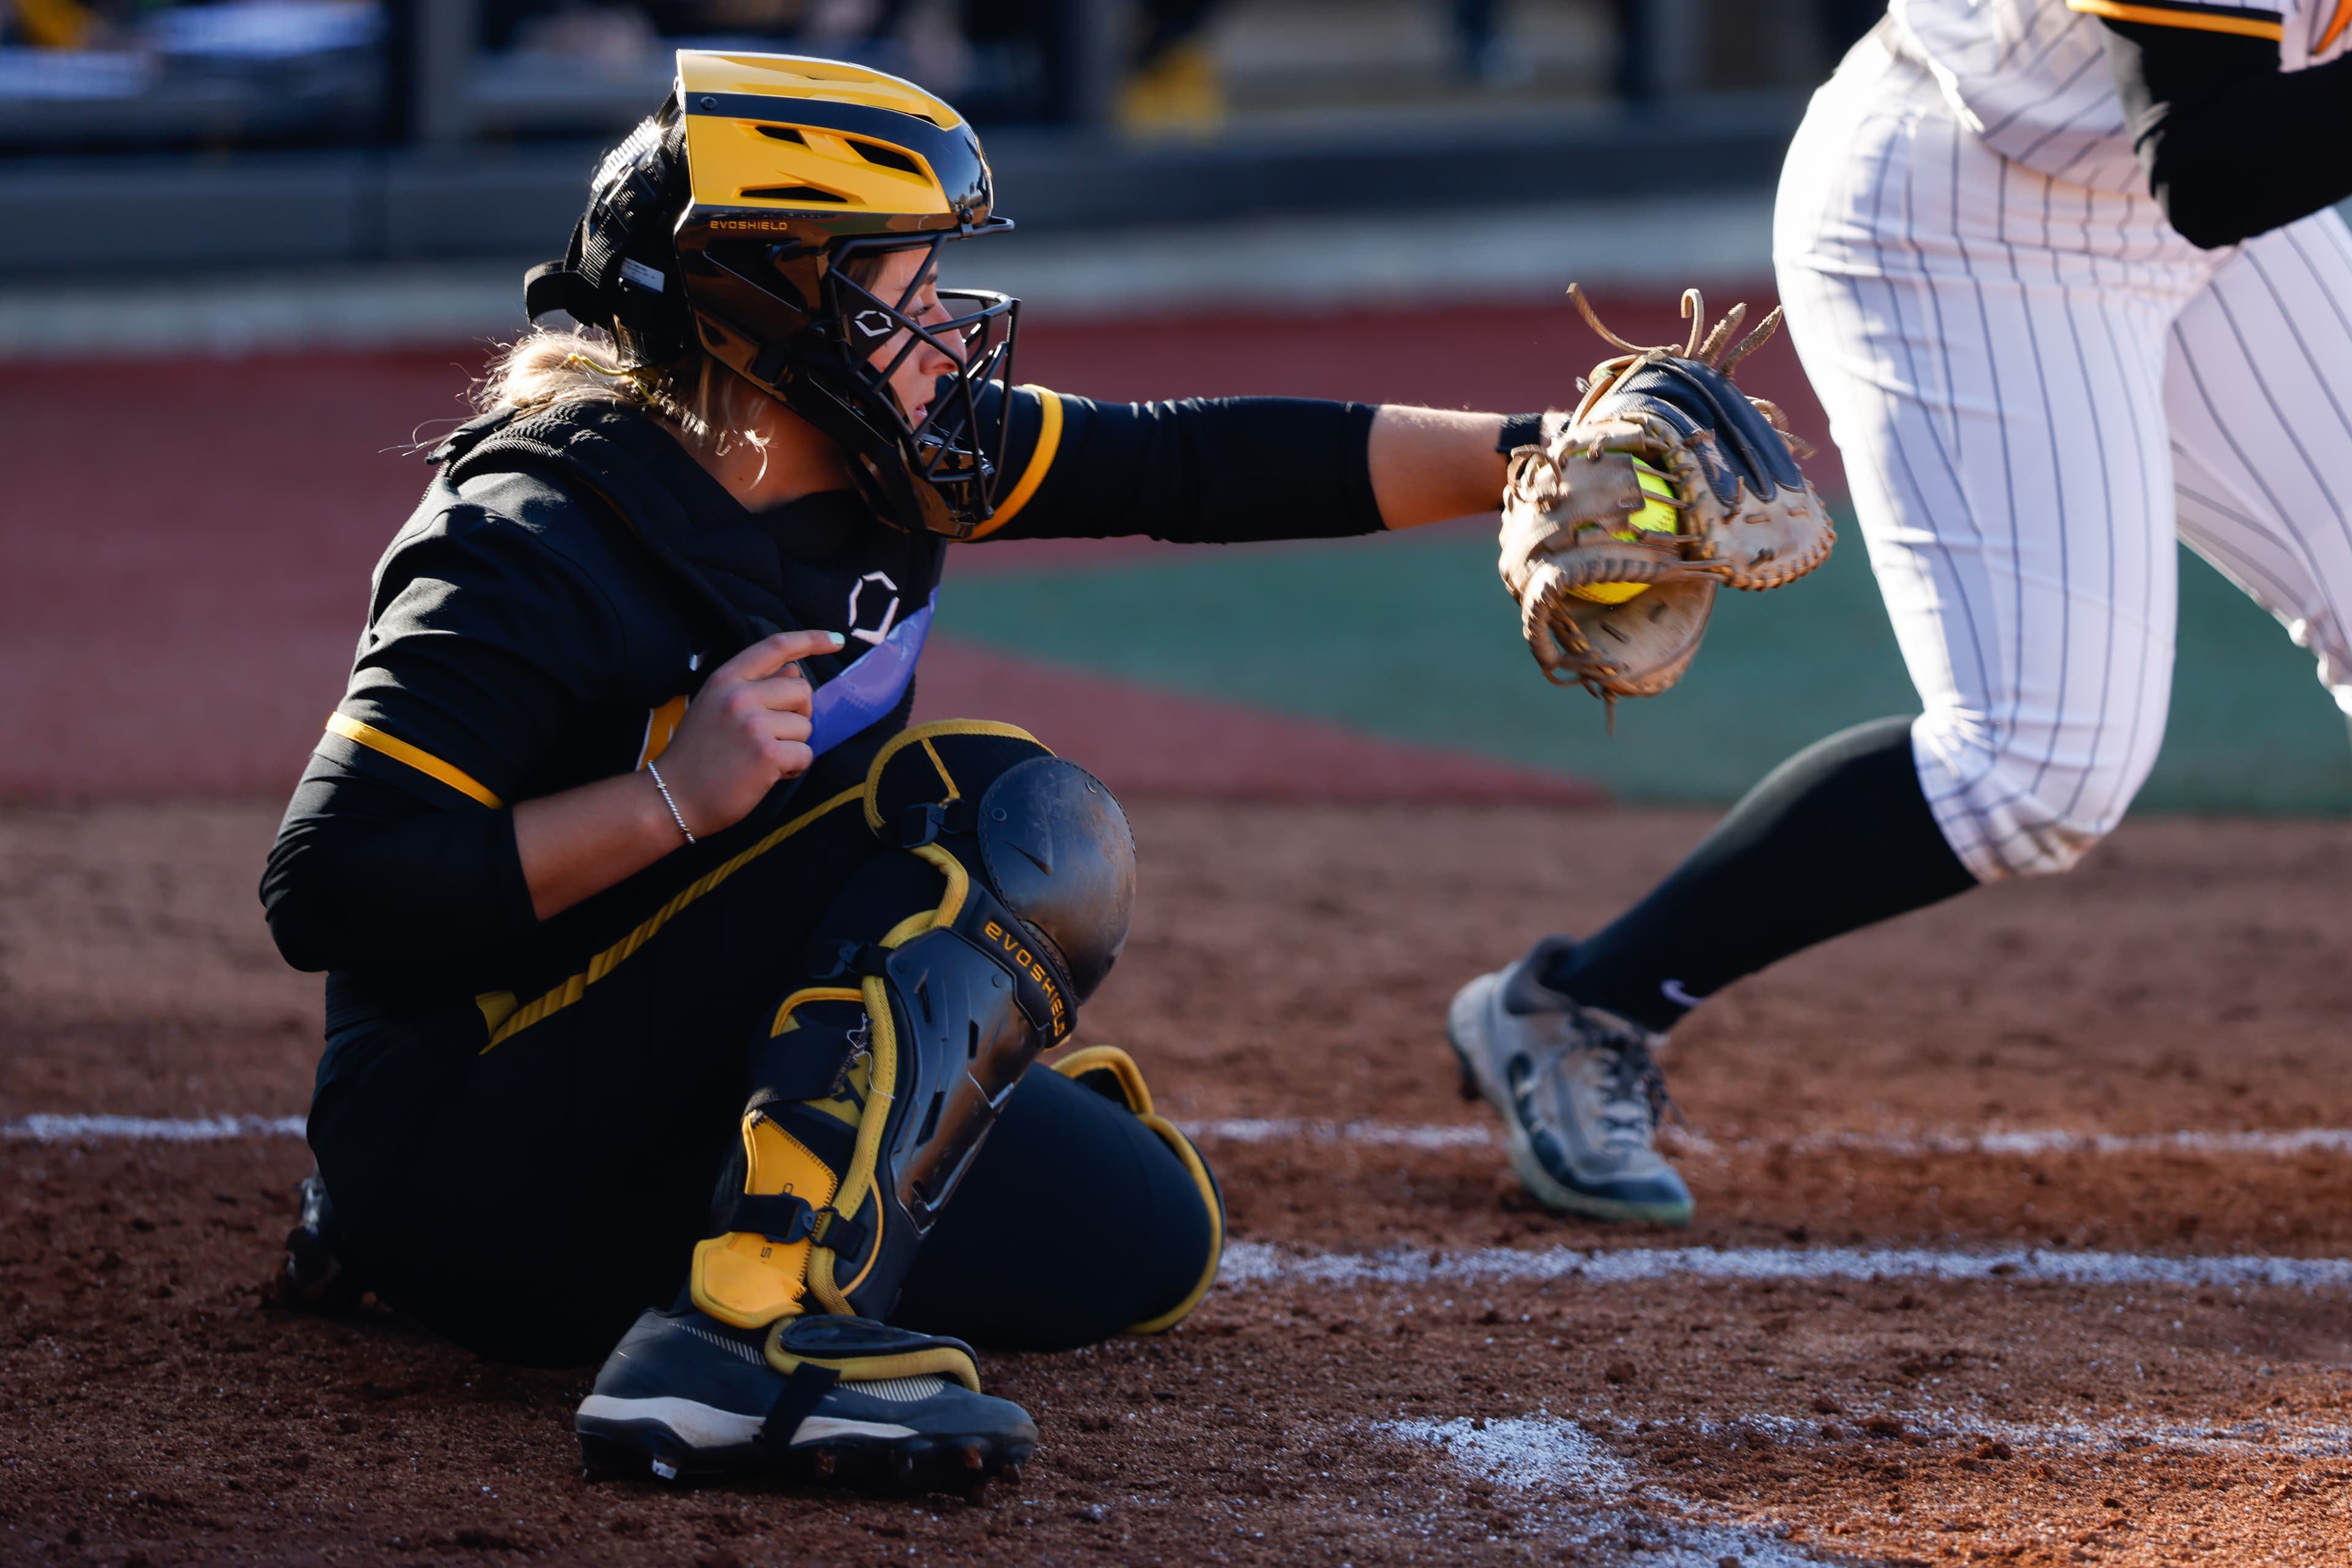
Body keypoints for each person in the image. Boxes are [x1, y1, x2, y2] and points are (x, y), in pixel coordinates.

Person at [262, 50, 1554, 1493]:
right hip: (474, 1140)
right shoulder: (530, 534)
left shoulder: (892, 455)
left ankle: (798, 1189)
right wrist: (669, 799)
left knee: (1153, 1231)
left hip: (659, 1092)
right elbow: (328, 885)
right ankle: (743, 1340)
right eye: (906, 288)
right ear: (765, 307)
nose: (947, 328)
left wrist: (1537, 460)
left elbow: (1193, 465)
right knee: (1001, 809)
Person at [1448, 0, 2352, 1227]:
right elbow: (2213, 159)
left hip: (2177, 196)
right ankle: (1579, 1005)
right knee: (2040, 767)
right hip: (1969, 210)